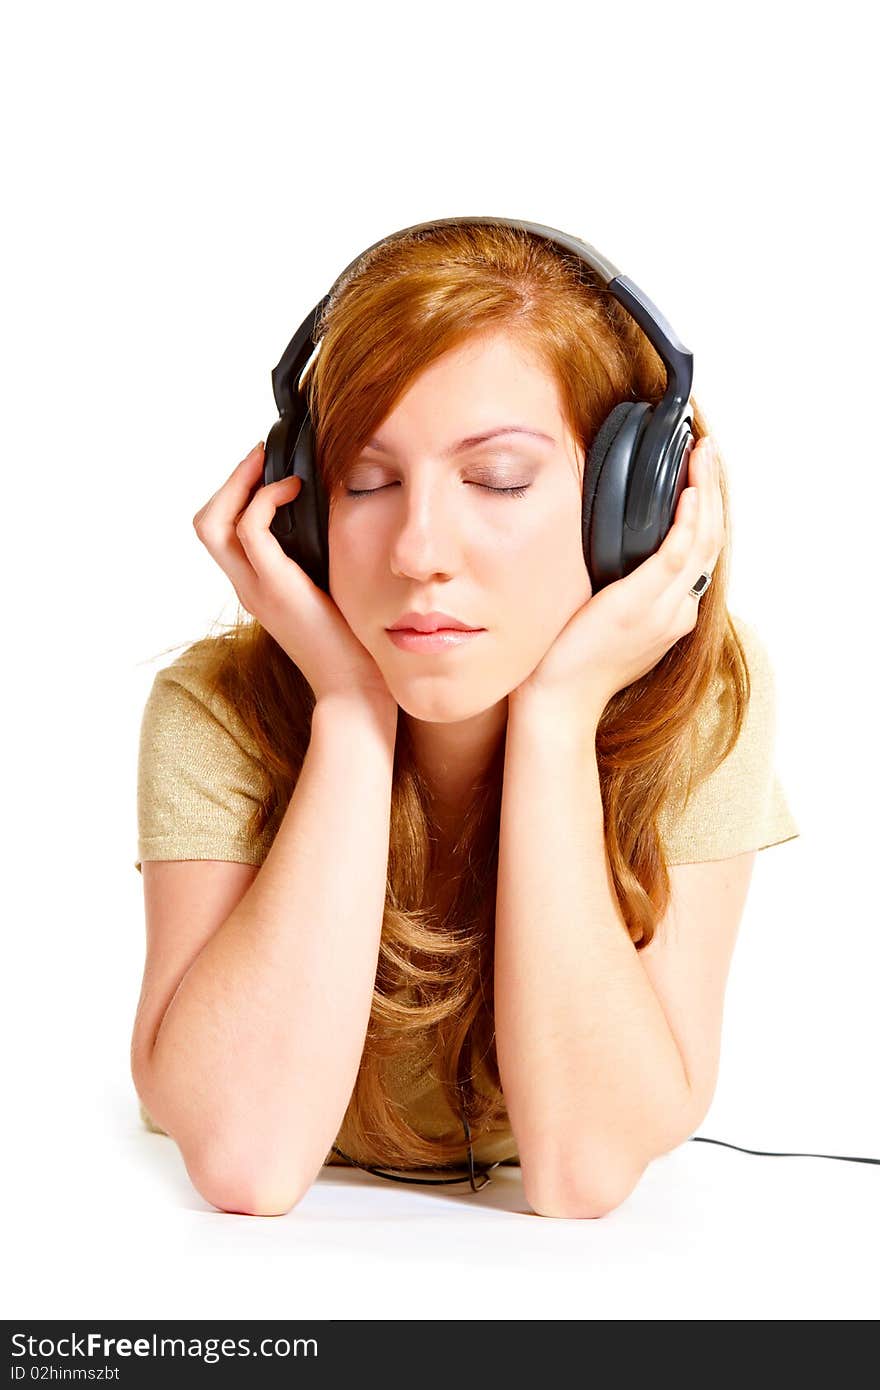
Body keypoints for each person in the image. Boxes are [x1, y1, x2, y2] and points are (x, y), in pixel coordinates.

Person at [131, 223, 799, 1218]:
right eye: (365, 481)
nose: (418, 549)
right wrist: (350, 710)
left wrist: (558, 717)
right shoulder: (214, 709)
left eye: (495, 479)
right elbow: (246, 1158)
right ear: (307, 510)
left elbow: (581, 1173)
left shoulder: (701, 708)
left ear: (634, 509)